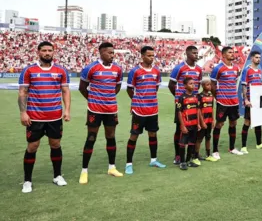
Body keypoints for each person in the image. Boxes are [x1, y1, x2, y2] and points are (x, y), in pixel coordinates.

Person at [18, 41, 71, 193]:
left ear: (54, 52)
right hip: (34, 117)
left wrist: (67, 110)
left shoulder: (61, 70)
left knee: (55, 145)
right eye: (44, 50)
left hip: (54, 116)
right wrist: (23, 112)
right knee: (32, 146)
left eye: (50, 50)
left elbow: (65, 91)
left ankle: (57, 176)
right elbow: (22, 93)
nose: (47, 53)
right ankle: (27, 180)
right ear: (38, 52)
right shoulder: (29, 70)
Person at [78, 42, 123, 185]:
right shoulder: (90, 68)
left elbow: (118, 86)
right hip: (95, 110)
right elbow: (82, 87)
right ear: (101, 52)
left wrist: (108, 98)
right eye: (109, 53)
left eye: (113, 53)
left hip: (111, 109)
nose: (112, 55)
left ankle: (112, 167)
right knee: (91, 138)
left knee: (111, 136)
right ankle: (84, 171)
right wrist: (94, 99)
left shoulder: (117, 68)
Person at [125, 46, 166, 174]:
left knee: (153, 134)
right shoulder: (135, 71)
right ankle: (128, 164)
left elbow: (156, 88)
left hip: (153, 109)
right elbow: (129, 89)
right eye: (149, 55)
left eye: (153, 55)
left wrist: (150, 99)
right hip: (139, 110)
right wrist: (138, 101)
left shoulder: (156, 71)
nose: (152, 58)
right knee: (134, 135)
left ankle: (153, 160)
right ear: (142, 56)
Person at [168, 46, 202, 165]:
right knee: (180, 130)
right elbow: (171, 84)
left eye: (197, 53)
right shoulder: (179, 67)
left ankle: (192, 154)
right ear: (187, 54)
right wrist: (179, 99)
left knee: (194, 129)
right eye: (194, 53)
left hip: (194, 104)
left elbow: (198, 85)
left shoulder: (199, 69)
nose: (196, 55)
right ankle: (178, 155)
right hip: (182, 105)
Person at [210, 46, 243, 159]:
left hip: (234, 101)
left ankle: (232, 148)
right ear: (223, 55)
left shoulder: (236, 68)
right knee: (219, 124)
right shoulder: (218, 68)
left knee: (233, 123)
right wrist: (217, 97)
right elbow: (213, 85)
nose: (232, 54)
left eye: (233, 52)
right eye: (230, 52)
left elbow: (234, 81)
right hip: (223, 102)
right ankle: (215, 150)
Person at [240, 51, 262, 153]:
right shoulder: (247, 70)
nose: (259, 59)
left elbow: (258, 83)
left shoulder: (258, 71)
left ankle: (259, 143)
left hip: (258, 101)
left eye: (259, 58)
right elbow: (244, 85)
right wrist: (246, 99)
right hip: (250, 101)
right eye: (257, 57)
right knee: (247, 122)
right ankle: (243, 147)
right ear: (252, 58)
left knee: (258, 121)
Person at [193, 78, 218, 165]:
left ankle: (208, 155)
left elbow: (212, 108)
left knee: (208, 137)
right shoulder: (199, 96)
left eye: (210, 84)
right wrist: (201, 122)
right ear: (202, 86)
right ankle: (195, 156)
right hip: (202, 122)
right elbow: (198, 110)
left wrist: (213, 119)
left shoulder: (211, 96)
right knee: (199, 139)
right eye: (208, 84)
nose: (210, 86)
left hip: (209, 121)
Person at [177, 77, 200, 170]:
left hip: (194, 124)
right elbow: (179, 112)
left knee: (192, 143)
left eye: (193, 83)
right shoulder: (182, 97)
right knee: (183, 143)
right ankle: (182, 162)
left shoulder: (195, 97)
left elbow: (197, 110)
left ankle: (188, 161)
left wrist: (198, 123)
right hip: (186, 125)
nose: (193, 85)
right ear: (185, 86)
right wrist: (182, 125)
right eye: (190, 83)